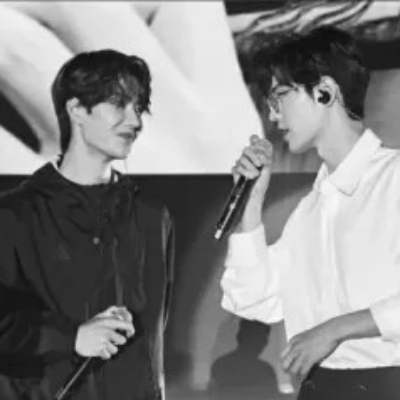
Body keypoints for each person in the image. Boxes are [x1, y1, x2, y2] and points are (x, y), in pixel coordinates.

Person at [221, 26, 400, 400]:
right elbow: (253, 299)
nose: (273, 115)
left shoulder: (394, 179)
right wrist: (251, 203)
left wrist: (336, 329)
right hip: (322, 387)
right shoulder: (308, 211)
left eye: (280, 97)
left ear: (325, 92)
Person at [0, 49, 174, 400]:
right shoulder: (14, 215)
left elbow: (154, 337)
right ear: (76, 109)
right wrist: (71, 338)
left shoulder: (153, 217)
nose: (135, 121)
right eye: (119, 104)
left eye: (139, 107)